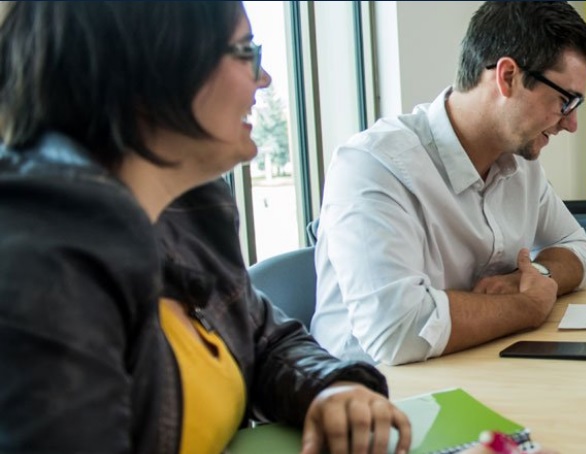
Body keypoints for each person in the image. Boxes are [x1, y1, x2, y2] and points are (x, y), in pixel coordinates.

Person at [0, 2, 411, 453]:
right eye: (244, 52)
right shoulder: (41, 263)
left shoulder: (193, 208)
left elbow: (263, 338)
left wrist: (330, 389)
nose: (265, 78)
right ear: (151, 65)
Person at [313, 1, 586, 366]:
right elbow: (397, 331)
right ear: (507, 76)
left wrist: (531, 276)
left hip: (475, 364)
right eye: (566, 101)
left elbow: (574, 245)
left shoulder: (521, 162)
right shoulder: (374, 166)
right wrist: (527, 305)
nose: (571, 124)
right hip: (369, 394)